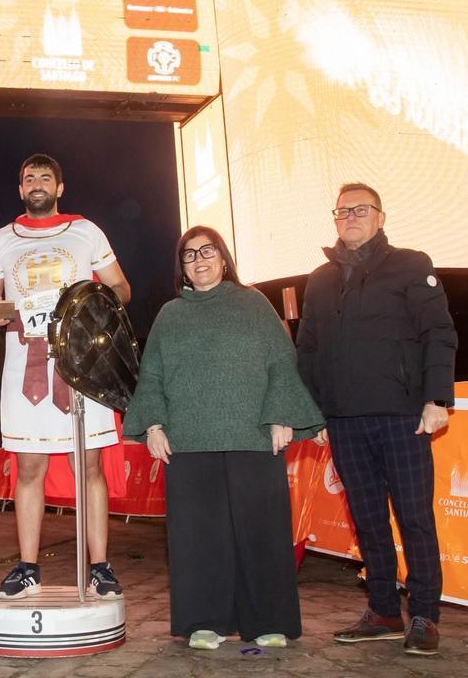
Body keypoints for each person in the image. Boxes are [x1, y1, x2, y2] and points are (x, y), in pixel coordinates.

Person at [123, 226, 324, 649]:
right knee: (198, 535)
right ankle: (204, 621)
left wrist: (281, 415)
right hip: (188, 442)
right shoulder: (169, 315)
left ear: (224, 256)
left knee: (262, 532)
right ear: (181, 268)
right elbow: (152, 374)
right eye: (189, 255)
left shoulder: (253, 303)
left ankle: (268, 620)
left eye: (207, 251)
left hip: (253, 435)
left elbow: (281, 361)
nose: (199, 260)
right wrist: (155, 425)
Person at [296, 183, 457, 657]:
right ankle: (384, 610)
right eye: (341, 211)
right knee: (367, 521)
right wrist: (313, 411)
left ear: (380, 217)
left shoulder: (411, 264)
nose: (349, 217)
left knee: (414, 518)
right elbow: (308, 351)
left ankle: (424, 614)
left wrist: (437, 399)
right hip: (344, 420)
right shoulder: (320, 279)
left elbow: (438, 332)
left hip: (403, 415)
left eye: (360, 209)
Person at [0, 153, 130, 600]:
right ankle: (27, 568)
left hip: (81, 364)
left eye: (46, 177)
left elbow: (121, 288)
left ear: (59, 187)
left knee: (89, 465)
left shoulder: (86, 231)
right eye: (29, 178)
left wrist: (89, 306)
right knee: (28, 467)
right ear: (21, 190)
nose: (37, 183)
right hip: (24, 363)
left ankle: (100, 568)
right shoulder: (4, 238)